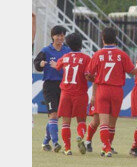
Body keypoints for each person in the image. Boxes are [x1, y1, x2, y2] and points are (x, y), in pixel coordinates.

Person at [85, 27, 137, 157]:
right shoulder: (122, 54)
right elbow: (133, 71)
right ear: (116, 39)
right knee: (112, 124)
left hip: (102, 89)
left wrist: (94, 79)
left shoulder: (98, 54)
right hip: (117, 91)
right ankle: (106, 147)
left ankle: (106, 148)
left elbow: (88, 74)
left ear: (102, 39)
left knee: (103, 122)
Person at [49, 33, 90, 155]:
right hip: (80, 93)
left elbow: (57, 66)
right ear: (81, 44)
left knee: (66, 122)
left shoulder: (65, 57)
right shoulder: (86, 58)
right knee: (81, 120)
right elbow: (89, 74)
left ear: (68, 44)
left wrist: (53, 64)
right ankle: (80, 136)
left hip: (66, 93)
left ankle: (67, 148)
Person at [34, 25, 71, 153]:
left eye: (62, 35)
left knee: (56, 117)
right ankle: (56, 143)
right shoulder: (46, 50)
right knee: (53, 114)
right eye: (58, 35)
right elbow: (36, 63)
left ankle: (45, 141)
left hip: (64, 86)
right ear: (53, 36)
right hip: (50, 86)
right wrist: (40, 64)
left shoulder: (67, 51)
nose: (60, 38)